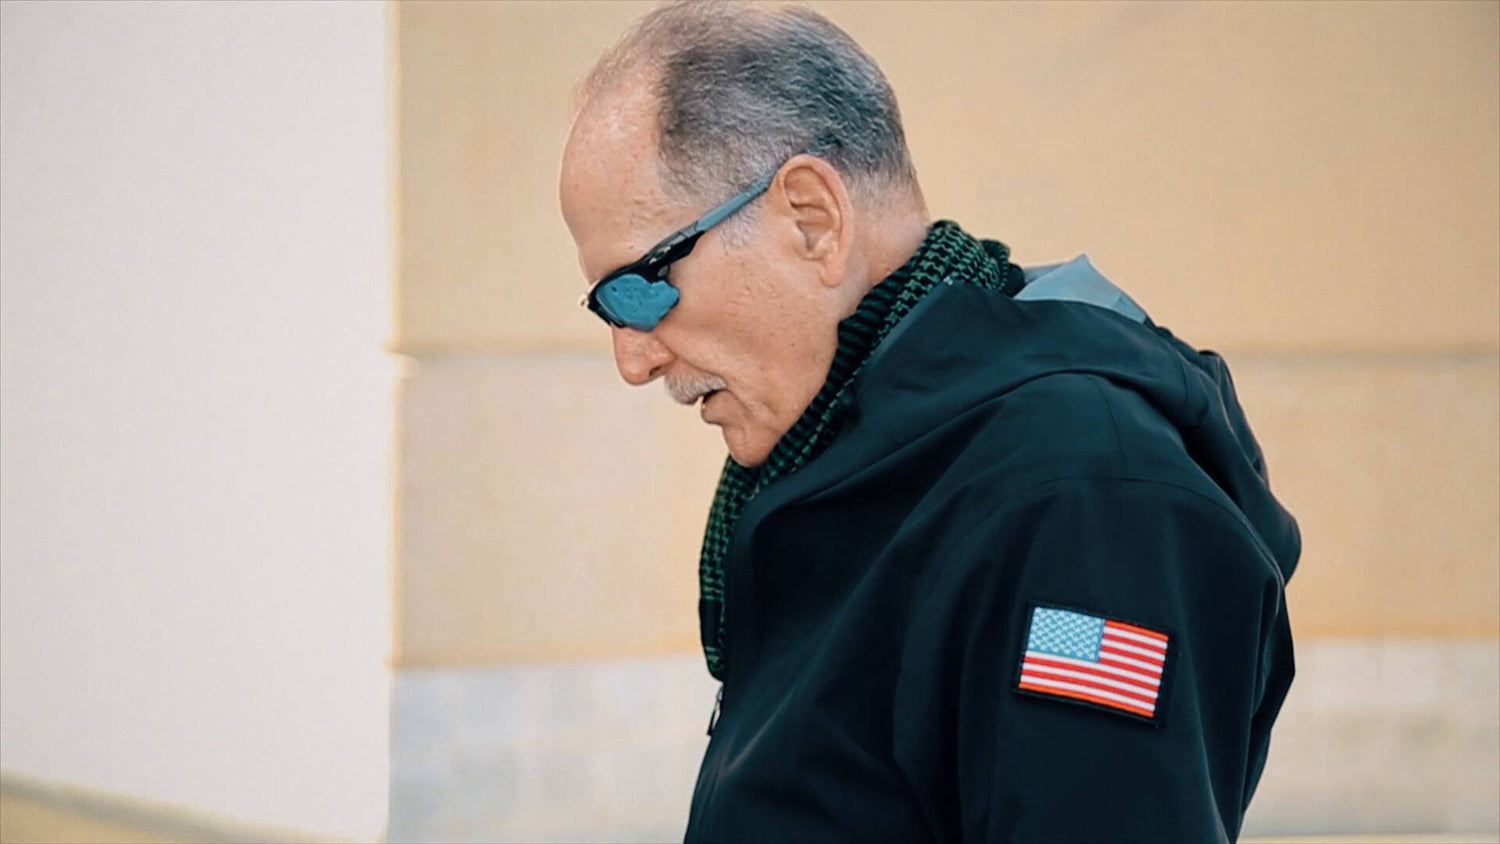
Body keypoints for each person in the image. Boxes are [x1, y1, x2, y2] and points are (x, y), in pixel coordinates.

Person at [558, 2, 1299, 841]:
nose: (633, 360)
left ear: (812, 218)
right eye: (605, 310)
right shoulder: (846, 461)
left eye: (638, 289)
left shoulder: (1080, 501)